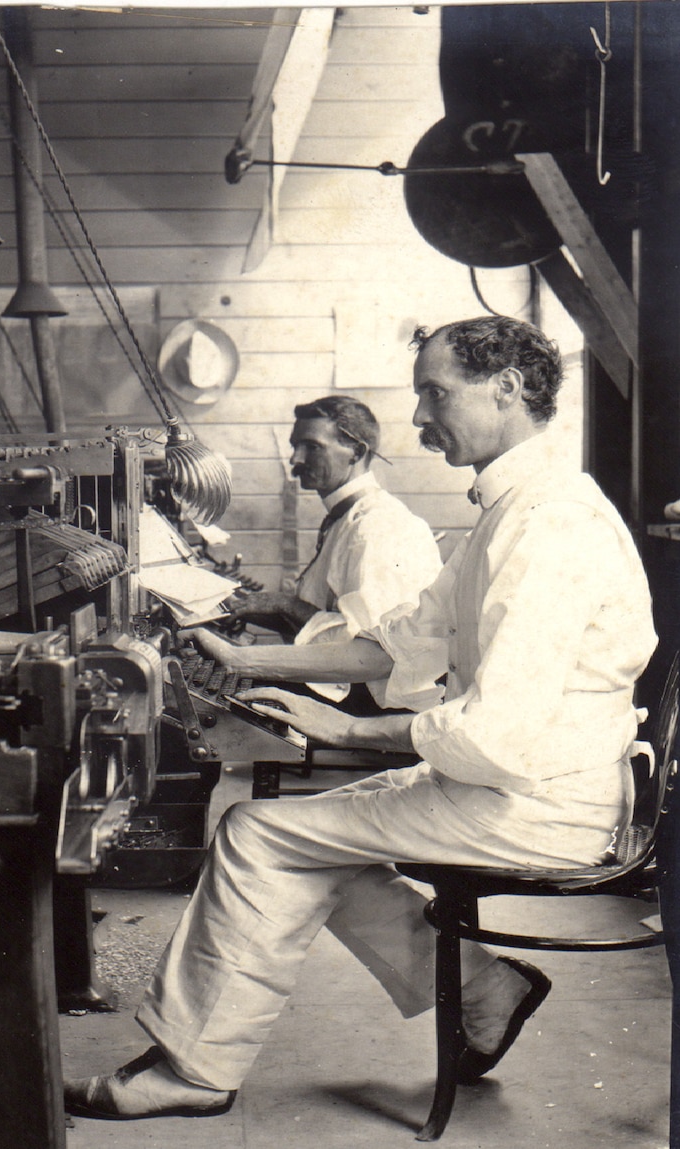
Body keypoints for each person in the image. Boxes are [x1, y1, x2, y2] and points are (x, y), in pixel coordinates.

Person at [64, 316, 657, 1120]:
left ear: (508, 388)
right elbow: (397, 644)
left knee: (256, 833)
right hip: (532, 781)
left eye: (433, 393)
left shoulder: (547, 527)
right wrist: (245, 661)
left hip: (540, 800)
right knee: (310, 833)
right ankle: (485, 993)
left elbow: (495, 732)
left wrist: (346, 729)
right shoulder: (518, 509)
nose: (416, 419)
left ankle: (195, 1069)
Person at [226, 395, 441, 709]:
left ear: (357, 451)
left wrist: (284, 605)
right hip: (353, 692)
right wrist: (245, 608)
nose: (295, 460)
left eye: (312, 447)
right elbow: (326, 623)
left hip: (376, 705)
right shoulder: (347, 518)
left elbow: (367, 650)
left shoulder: (378, 526)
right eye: (294, 446)